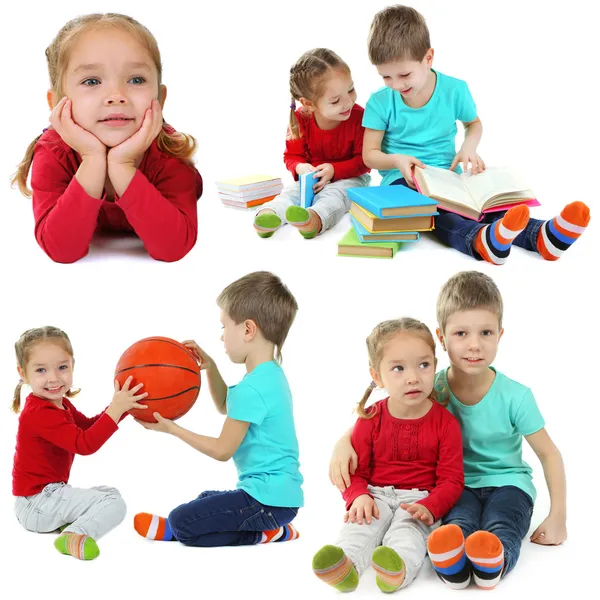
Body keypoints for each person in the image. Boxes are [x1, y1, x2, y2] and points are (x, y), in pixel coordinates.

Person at [329, 271, 567, 589]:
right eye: (460, 334)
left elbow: (549, 453)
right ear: (441, 338)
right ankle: (453, 568)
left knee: (502, 522)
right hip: (455, 487)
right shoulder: (431, 387)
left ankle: (493, 564)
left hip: (508, 483)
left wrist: (558, 516)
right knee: (459, 524)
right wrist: (343, 441)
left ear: (500, 334)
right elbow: (387, 416)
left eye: (485, 332)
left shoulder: (516, 396)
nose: (474, 345)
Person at [362, 5, 589, 264]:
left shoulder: (454, 89)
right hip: (403, 180)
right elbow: (370, 155)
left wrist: (468, 148)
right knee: (435, 211)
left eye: (404, 74)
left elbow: (474, 124)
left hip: (447, 176)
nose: (396, 84)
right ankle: (478, 240)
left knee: (484, 205)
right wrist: (397, 160)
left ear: (428, 58)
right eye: (386, 77)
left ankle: (542, 237)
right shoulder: (380, 102)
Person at [11, 13, 202, 263]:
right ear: (57, 103)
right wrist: (92, 159)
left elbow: (173, 248)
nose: (116, 96)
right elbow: (62, 251)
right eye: (92, 81)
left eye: (136, 79)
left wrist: (122, 165)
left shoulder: (169, 151)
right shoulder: (53, 152)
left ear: (160, 99)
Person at [133, 271, 304, 547]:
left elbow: (222, 451)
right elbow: (225, 405)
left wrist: (172, 428)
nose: (222, 337)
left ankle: (265, 533)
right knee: (204, 500)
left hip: (267, 502)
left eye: (224, 326)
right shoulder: (269, 376)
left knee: (182, 521)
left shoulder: (254, 388)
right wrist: (210, 367)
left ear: (248, 330)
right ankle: (276, 529)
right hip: (276, 499)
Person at [313, 318, 463, 593]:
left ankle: (397, 570)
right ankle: (344, 566)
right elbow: (356, 471)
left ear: (435, 366)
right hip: (375, 495)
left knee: (409, 535)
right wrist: (358, 496)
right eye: (398, 368)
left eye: (423, 365)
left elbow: (452, 480)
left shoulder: (446, 423)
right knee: (359, 527)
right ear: (377, 376)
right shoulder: (370, 418)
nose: (413, 377)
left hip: (420, 499)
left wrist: (431, 506)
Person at [12, 326, 147, 560]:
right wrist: (116, 410)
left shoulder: (60, 404)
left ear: (72, 365)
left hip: (46, 498)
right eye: (41, 370)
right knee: (114, 503)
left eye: (62, 367)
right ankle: (74, 534)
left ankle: (69, 526)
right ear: (23, 373)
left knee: (109, 492)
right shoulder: (38, 412)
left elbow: (87, 426)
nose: (54, 378)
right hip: (37, 503)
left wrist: (123, 407)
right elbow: (84, 444)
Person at [254, 48, 370, 239]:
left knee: (335, 198)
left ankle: (314, 220)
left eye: (350, 90)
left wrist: (334, 171)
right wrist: (301, 167)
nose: (348, 102)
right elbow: (291, 156)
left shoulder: (359, 117)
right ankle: (269, 215)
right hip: (312, 180)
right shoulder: (301, 119)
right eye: (335, 101)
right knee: (290, 194)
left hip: (351, 178)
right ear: (309, 104)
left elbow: (364, 161)